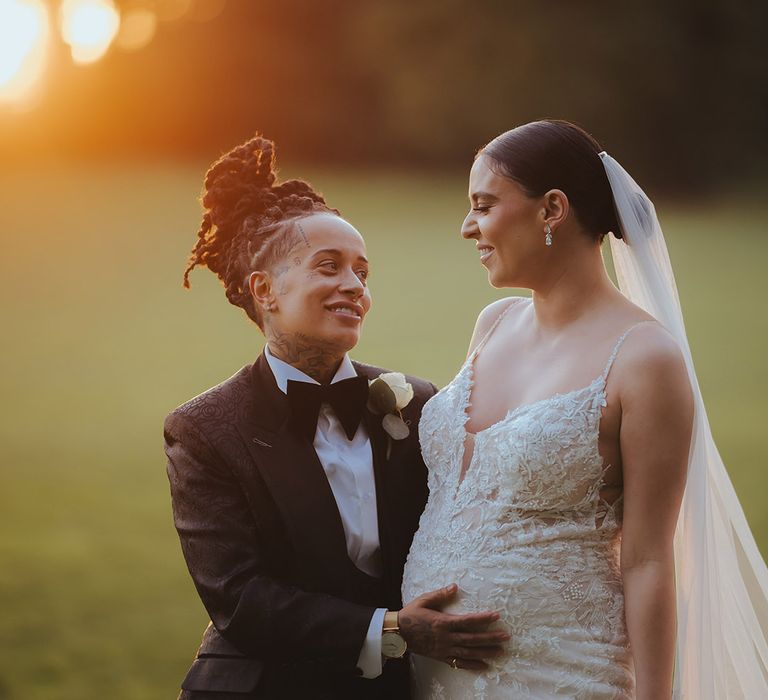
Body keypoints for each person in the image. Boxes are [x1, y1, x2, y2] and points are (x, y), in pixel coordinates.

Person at [401, 120, 768, 699]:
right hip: (433, 675)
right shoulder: (492, 325)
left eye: (484, 205)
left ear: (552, 209)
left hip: (558, 674)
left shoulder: (643, 358)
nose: (467, 226)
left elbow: (648, 559)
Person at [163, 135, 507, 700]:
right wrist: (392, 628)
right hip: (264, 686)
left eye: (362, 272)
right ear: (265, 290)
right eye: (329, 267)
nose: (354, 286)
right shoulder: (204, 430)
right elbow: (240, 598)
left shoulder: (418, 404)